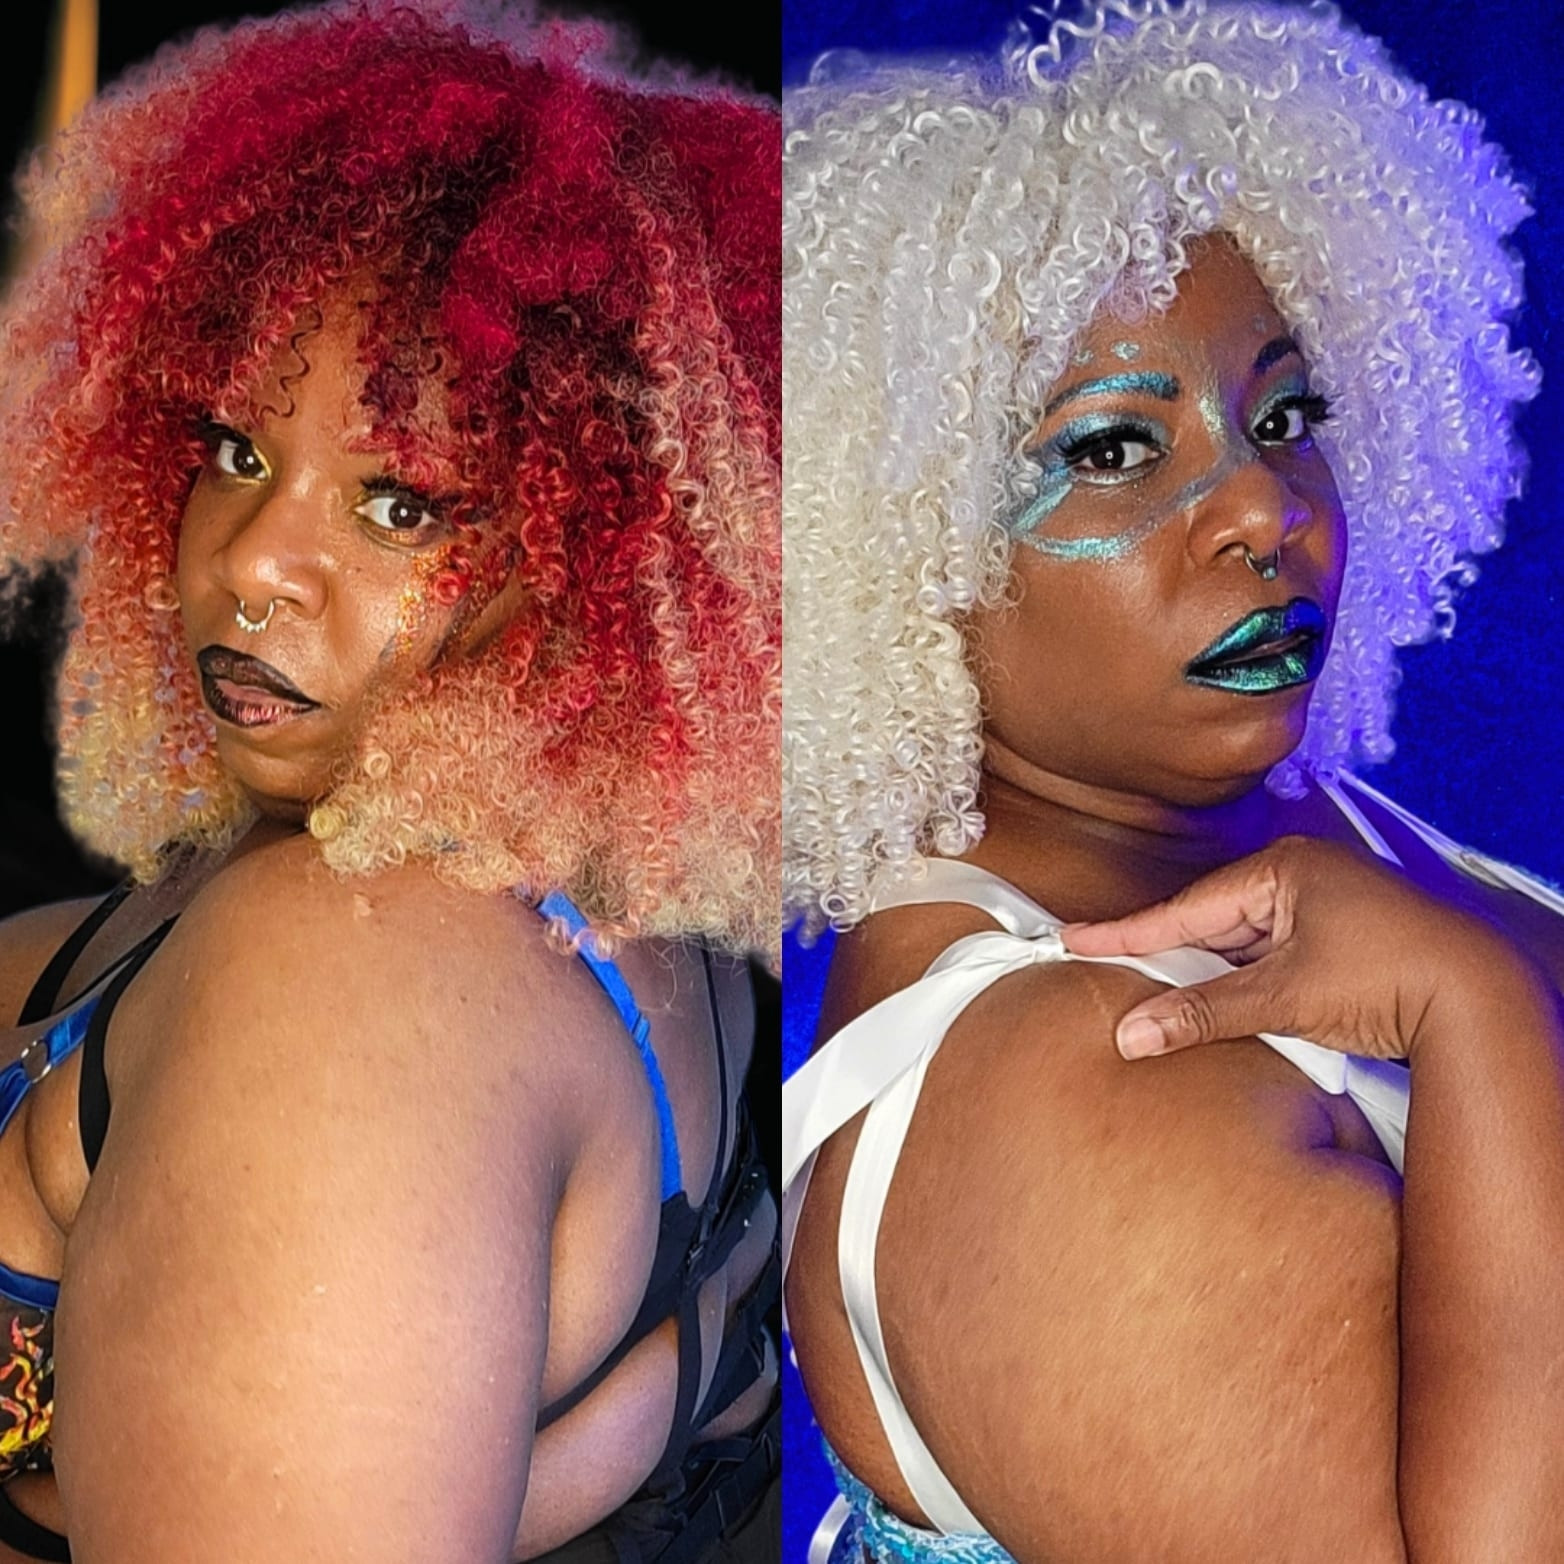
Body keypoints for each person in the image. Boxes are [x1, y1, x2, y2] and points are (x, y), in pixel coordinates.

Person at [781, 1, 1564, 1558]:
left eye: (1285, 417)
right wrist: (1478, 1022)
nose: (1264, 508)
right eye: (1117, 451)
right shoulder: (1064, 1100)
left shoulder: (1268, 808)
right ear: (894, 547)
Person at [0, 2, 781, 1560]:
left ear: (610, 557)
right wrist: (604, 1442)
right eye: (234, 451)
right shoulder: (597, 924)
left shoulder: (349, 979)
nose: (252, 568)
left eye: (398, 501)